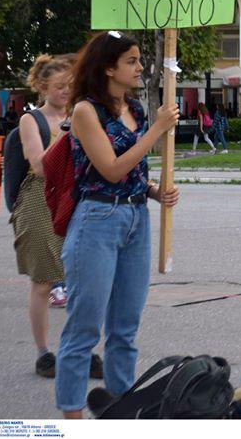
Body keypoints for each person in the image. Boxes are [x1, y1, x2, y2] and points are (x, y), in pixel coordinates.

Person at [55, 31, 180, 418]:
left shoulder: (135, 109)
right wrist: (158, 131)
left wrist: (154, 190)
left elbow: (132, 169)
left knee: (124, 330)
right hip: (97, 219)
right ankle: (72, 418)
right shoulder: (85, 111)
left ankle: (120, 414)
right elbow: (109, 169)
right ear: (109, 67)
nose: (140, 67)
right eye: (131, 61)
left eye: (140, 59)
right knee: (84, 331)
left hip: (134, 218)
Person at [9, 55, 101, 380]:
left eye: (71, 85)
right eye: (60, 86)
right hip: (38, 202)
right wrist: (67, 131)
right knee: (42, 282)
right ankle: (43, 354)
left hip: (75, 202)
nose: (66, 91)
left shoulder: (84, 115)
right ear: (43, 86)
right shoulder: (31, 121)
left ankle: (81, 351)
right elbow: (38, 165)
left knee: (82, 282)